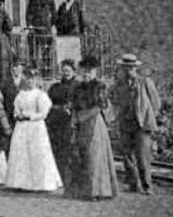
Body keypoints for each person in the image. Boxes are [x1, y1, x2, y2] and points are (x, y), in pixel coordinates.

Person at [65, 56, 118, 200]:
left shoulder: (99, 86)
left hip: (94, 122)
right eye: (84, 72)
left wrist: (83, 116)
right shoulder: (78, 87)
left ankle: (96, 190)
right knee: (79, 154)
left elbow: (101, 105)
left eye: (90, 72)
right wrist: (74, 118)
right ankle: (81, 190)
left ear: (95, 72)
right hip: (81, 123)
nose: (87, 74)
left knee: (94, 156)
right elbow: (74, 104)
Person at [4, 68, 62, 191]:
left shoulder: (40, 95)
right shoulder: (20, 95)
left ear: (36, 80)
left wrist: (29, 116)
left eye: (32, 79)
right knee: (21, 153)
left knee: (38, 152)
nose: (30, 81)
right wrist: (17, 115)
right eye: (27, 78)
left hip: (36, 127)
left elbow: (43, 113)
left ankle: (41, 183)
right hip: (22, 128)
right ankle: (21, 183)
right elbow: (15, 110)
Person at [112, 54, 161, 195]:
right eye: (125, 68)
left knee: (142, 156)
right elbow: (116, 103)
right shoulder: (119, 85)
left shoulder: (145, 82)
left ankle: (147, 186)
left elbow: (156, 102)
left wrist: (149, 117)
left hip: (142, 125)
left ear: (135, 68)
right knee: (127, 156)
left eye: (130, 68)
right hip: (125, 124)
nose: (128, 71)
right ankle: (133, 185)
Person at [46, 59, 80, 179]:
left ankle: (70, 176)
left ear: (74, 72)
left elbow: (80, 103)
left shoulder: (78, 86)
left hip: (71, 121)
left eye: (68, 71)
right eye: (64, 71)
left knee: (70, 149)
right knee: (57, 148)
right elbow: (48, 102)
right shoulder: (55, 87)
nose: (66, 73)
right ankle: (58, 176)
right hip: (56, 121)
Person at [25, 0, 57, 72]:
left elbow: (54, 15)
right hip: (35, 29)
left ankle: (46, 71)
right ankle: (34, 70)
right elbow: (29, 13)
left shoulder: (50, 0)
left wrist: (53, 26)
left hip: (46, 29)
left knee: (46, 51)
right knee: (34, 51)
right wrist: (29, 25)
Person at [0, 59, 25, 157]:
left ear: (22, 68)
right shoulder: (5, 83)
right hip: (9, 117)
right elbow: (1, 100)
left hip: (24, 117)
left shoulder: (26, 82)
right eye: (13, 67)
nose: (14, 69)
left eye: (17, 66)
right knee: (10, 143)